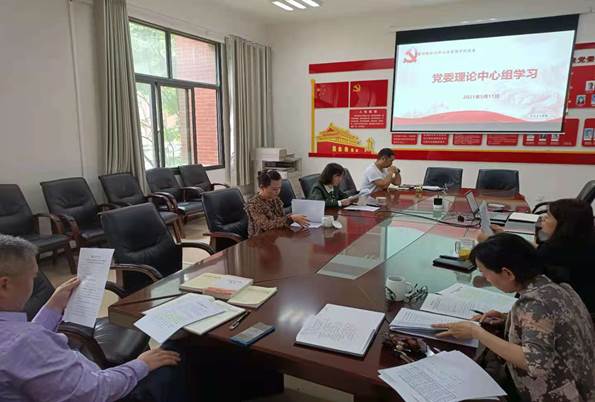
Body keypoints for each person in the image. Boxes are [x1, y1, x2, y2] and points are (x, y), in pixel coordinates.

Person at [0, 235, 187, 402]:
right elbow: (93, 392)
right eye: (32, 277)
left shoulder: (18, 340)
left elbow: (21, 351)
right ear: (5, 285)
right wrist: (141, 364)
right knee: (180, 350)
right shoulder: (25, 343)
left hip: (78, 380)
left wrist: (53, 307)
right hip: (99, 389)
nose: (33, 284)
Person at [432, 233, 594, 402]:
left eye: (485, 273)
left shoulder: (534, 304)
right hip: (585, 382)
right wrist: (507, 320)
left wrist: (476, 332)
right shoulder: (557, 286)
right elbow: (551, 326)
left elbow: (534, 363)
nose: (486, 279)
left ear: (507, 273)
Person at [478, 198, 595, 312]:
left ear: (563, 224)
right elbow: (534, 250)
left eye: (548, 216)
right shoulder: (579, 240)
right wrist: (505, 236)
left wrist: (489, 241)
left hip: (573, 308)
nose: (543, 218)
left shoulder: (554, 251)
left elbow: (518, 260)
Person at [245, 170, 309, 237]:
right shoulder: (253, 204)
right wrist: (290, 219)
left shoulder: (275, 199)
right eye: (274, 189)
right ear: (262, 187)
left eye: (279, 188)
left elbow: (281, 218)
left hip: (276, 236)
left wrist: (292, 216)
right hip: (260, 239)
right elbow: (267, 225)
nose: (278, 191)